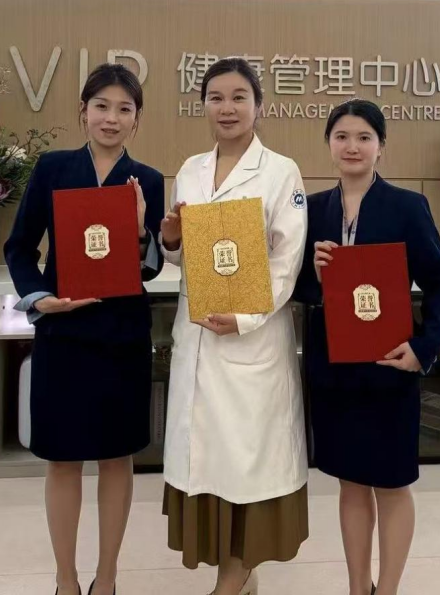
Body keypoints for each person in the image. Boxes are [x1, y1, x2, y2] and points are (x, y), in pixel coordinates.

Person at [4, 63, 165, 595]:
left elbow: (148, 269)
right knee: (63, 459)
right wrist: (39, 297)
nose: (111, 118)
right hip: (64, 335)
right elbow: (19, 247)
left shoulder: (147, 181)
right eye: (102, 107)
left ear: (137, 119)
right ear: (83, 112)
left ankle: (108, 578)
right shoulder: (53, 169)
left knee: (117, 457)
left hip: (121, 336)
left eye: (124, 109)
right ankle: (66, 579)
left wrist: (140, 229)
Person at [294, 99, 440, 595]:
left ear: (381, 146)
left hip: (389, 367)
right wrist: (314, 272)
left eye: (364, 137)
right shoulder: (312, 209)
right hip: (334, 373)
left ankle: (386, 589)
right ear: (328, 144)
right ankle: (356, 587)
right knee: (349, 482)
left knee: (391, 483)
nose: (352, 146)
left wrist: (423, 348)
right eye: (342, 136)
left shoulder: (407, 206)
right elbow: (297, 289)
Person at [159, 57, 309, 595]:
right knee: (208, 460)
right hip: (199, 334)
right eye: (216, 97)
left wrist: (246, 317)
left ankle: (238, 570)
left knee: (247, 462)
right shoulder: (190, 170)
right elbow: (184, 257)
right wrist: (172, 238)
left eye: (239, 97)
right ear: (203, 106)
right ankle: (233, 569)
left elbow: (287, 261)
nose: (227, 108)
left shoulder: (281, 172)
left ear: (259, 106)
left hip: (252, 341)